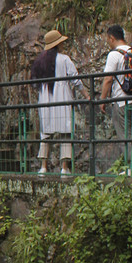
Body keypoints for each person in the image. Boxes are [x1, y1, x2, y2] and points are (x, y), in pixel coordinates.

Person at [30, 29, 87, 178]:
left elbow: (34, 84)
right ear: (58, 44)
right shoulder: (64, 59)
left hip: (45, 99)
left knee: (45, 133)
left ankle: (43, 167)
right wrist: (87, 95)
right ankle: (64, 168)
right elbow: (76, 80)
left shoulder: (39, 62)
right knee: (65, 131)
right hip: (62, 97)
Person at [100, 24, 132, 175]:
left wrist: (103, 100)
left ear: (111, 38)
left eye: (108, 39)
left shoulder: (114, 54)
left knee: (124, 134)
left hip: (122, 100)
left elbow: (108, 79)